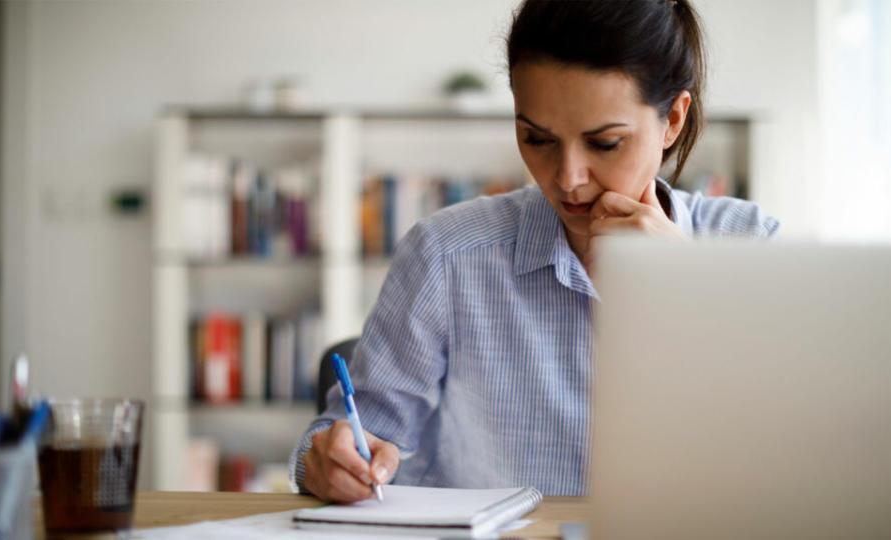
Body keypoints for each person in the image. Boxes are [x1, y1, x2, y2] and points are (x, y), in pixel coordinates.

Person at [290, 0, 779, 503]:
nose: (568, 179)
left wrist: (692, 291)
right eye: (537, 139)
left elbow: (788, 454)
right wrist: (329, 460)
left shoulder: (750, 247)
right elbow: (345, 437)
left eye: (605, 143)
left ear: (673, 120)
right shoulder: (446, 256)